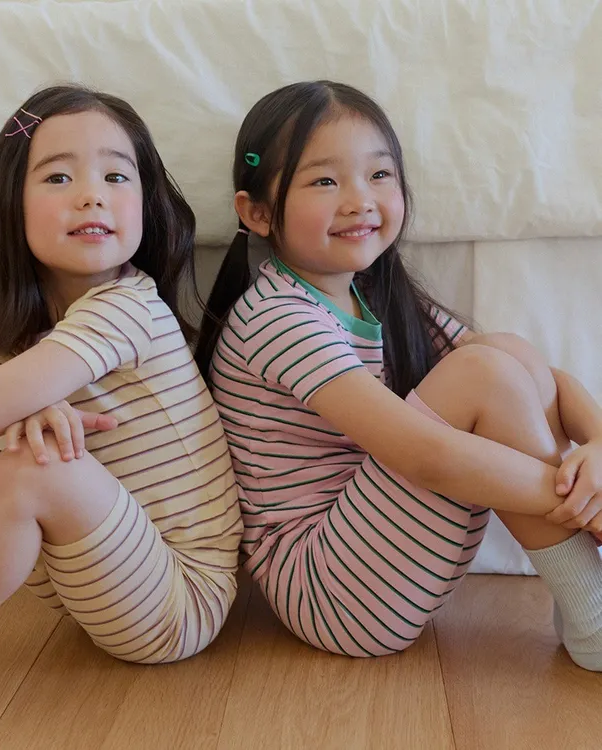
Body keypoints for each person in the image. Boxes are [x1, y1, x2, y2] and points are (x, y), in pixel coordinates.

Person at [0, 84, 241, 710]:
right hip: (91, 575)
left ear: (146, 205)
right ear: (13, 206)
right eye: (59, 178)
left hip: (177, 600)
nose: (91, 194)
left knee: (36, 466)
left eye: (116, 176)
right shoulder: (39, 330)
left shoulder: (127, 306)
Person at [195, 80, 602, 669]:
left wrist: (597, 448)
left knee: (506, 353)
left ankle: (585, 599)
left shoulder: (375, 295)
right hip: (326, 589)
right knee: (484, 373)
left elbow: (540, 377)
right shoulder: (276, 317)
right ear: (257, 212)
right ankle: (594, 613)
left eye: (379, 175)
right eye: (325, 181)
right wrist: (577, 498)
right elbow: (423, 456)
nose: (360, 200)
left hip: (376, 554)